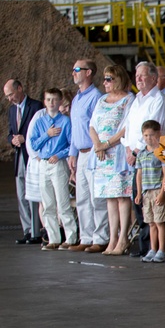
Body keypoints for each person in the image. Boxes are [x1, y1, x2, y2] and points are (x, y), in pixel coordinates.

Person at [122, 61, 165, 257]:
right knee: (141, 203)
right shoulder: (136, 100)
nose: (138, 79)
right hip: (136, 155)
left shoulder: (159, 100)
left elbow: (152, 129)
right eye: (137, 76)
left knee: (156, 211)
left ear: (153, 78)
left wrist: (135, 151)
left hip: (151, 155)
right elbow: (129, 126)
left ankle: (155, 248)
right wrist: (128, 148)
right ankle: (147, 246)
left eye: (143, 75)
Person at [89, 65, 135, 255]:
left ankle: (124, 237)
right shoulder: (101, 99)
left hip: (116, 153)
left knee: (121, 196)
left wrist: (106, 143)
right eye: (105, 79)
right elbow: (92, 124)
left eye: (109, 79)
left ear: (119, 79)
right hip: (101, 154)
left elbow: (126, 127)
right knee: (109, 197)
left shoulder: (128, 99)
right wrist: (97, 144)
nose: (105, 82)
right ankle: (112, 237)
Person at [29, 88, 79, 250]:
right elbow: (34, 144)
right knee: (48, 203)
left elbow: (71, 144)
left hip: (58, 163)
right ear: (44, 102)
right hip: (43, 163)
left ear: (59, 102)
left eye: (55, 100)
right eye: (49, 99)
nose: (51, 103)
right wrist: (47, 134)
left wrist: (59, 154)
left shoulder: (65, 122)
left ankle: (70, 238)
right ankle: (53, 238)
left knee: (62, 202)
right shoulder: (39, 122)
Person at [67, 59, 108, 251]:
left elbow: (96, 127)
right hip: (80, 152)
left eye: (77, 69)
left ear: (89, 72)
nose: (73, 72)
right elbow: (76, 128)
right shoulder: (76, 98)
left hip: (93, 151)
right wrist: (72, 153)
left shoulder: (96, 97)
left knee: (95, 197)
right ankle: (86, 237)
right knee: (82, 197)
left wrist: (96, 149)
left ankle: (100, 239)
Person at [5, 78, 44, 244]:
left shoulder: (36, 106)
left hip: (33, 157)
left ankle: (38, 230)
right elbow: (9, 133)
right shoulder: (11, 111)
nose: (10, 99)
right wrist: (12, 140)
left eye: (11, 94)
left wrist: (25, 137)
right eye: (7, 96)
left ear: (20, 88)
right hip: (19, 157)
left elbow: (40, 129)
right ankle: (27, 230)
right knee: (21, 194)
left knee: (35, 193)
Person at [134, 120, 165, 262]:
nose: (149, 138)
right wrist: (138, 192)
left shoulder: (161, 152)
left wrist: (162, 192)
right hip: (146, 191)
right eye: (146, 135)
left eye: (152, 135)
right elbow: (139, 174)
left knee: (160, 222)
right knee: (151, 222)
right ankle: (152, 248)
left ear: (158, 134)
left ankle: (161, 250)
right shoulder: (141, 154)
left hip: (157, 189)